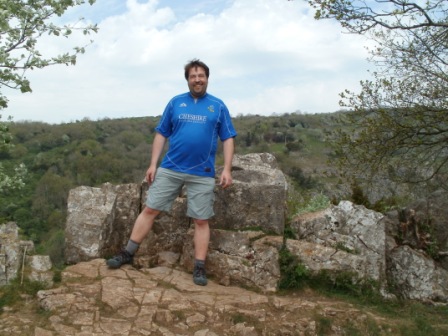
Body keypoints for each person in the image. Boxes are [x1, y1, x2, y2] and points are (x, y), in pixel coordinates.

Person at [106, 59, 237, 286]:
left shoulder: (218, 106)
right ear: (187, 79)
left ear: (207, 78)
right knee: (150, 209)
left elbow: (228, 137)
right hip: (171, 168)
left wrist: (226, 168)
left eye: (201, 76)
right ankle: (127, 253)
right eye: (193, 76)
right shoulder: (176, 103)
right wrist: (152, 164)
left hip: (202, 172)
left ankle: (199, 267)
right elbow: (161, 134)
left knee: (201, 220)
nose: (197, 79)